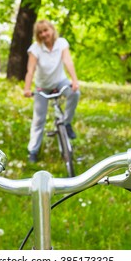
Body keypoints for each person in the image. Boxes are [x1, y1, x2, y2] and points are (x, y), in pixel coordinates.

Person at [24, 19, 80, 163]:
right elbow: (30, 70)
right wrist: (27, 88)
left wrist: (74, 80)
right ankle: (33, 151)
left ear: (52, 30)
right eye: (40, 32)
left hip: (60, 82)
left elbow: (68, 61)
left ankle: (66, 123)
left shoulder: (61, 43)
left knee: (75, 93)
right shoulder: (35, 48)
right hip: (42, 86)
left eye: (46, 30)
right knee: (39, 119)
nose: (44, 34)